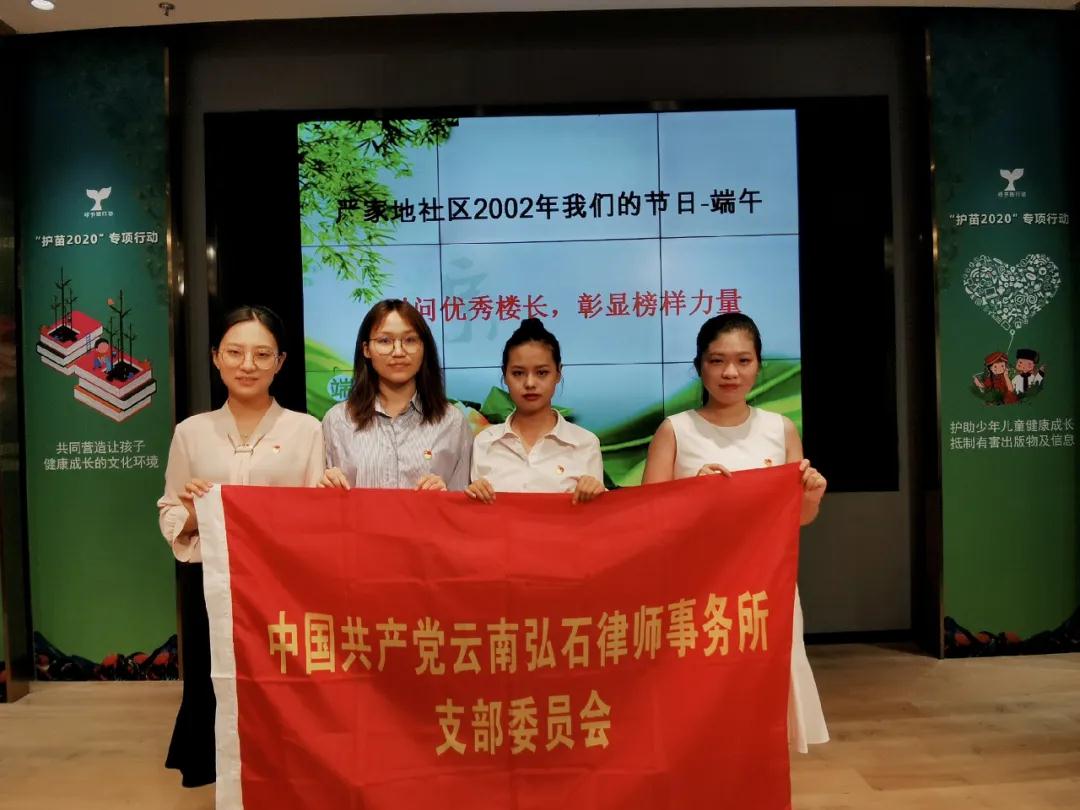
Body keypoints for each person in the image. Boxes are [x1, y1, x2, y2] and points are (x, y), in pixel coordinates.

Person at [641, 312, 829, 753]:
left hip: (765, 590)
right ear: (699, 366)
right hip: (696, 591)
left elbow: (797, 519)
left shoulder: (780, 429)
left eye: (743, 361)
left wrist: (812, 496)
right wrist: (693, 494)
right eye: (717, 361)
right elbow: (647, 519)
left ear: (758, 366)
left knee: (765, 696)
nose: (730, 372)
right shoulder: (676, 430)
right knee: (698, 697)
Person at [156, 305, 325, 787]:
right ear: (216, 357)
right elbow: (170, 513)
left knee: (282, 686)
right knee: (214, 685)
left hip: (282, 590)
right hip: (211, 585)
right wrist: (195, 510)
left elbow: (316, 516)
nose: (247, 364)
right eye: (235, 352)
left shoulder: (307, 430)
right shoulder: (191, 432)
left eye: (262, 354)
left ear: (280, 361)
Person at [320, 299, 472, 491]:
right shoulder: (338, 421)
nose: (398, 352)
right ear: (366, 350)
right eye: (385, 341)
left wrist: (445, 496)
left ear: (423, 347)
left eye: (410, 340)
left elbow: (462, 501)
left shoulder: (452, 422)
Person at [466, 318, 605, 504]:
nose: (530, 383)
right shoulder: (484, 442)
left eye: (541, 372)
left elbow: (596, 517)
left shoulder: (585, 444)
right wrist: (474, 497)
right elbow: (476, 517)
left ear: (558, 373)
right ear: (505, 375)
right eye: (518, 373)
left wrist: (595, 494)